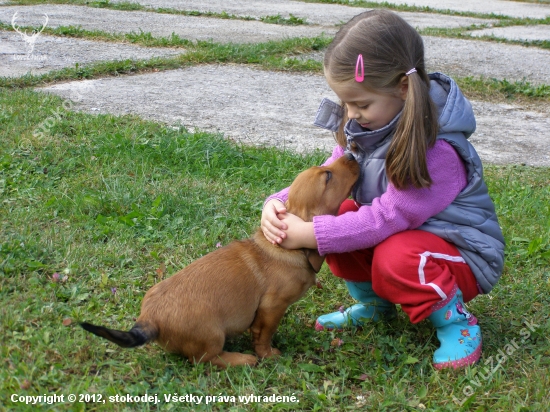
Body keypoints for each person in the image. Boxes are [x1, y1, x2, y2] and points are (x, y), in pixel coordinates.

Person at [261, 9, 505, 369]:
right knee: (341, 216)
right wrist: (279, 203)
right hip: (405, 241)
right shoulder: (370, 126)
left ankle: (457, 325)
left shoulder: (438, 151)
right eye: (346, 102)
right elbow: (330, 175)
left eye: (361, 103)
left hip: (460, 256)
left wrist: (313, 233)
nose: (351, 113)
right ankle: (375, 306)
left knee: (385, 249)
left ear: (403, 88)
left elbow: (388, 218)